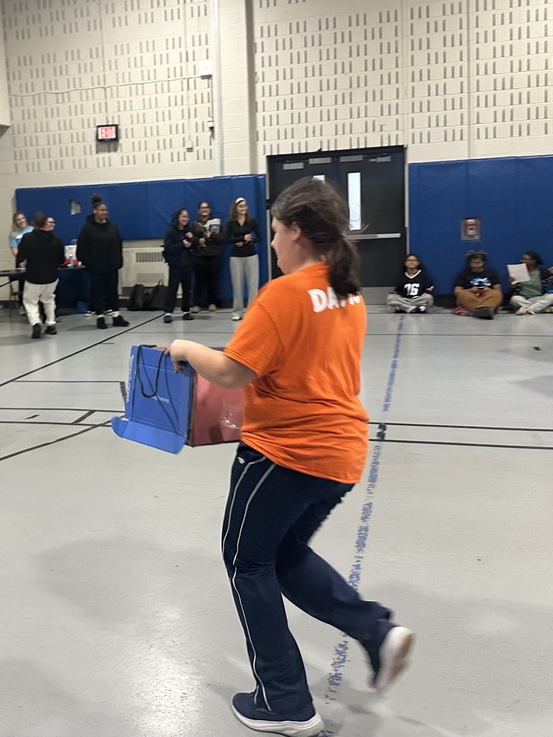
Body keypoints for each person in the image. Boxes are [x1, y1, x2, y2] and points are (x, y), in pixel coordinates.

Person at [167, 178, 413, 737]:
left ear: (297, 231)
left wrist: (182, 347)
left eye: (276, 233)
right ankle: (376, 631)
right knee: (281, 554)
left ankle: (284, 701)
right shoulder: (346, 288)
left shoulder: (283, 293)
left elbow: (232, 371)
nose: (272, 245)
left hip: (286, 453)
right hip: (341, 453)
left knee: (246, 561)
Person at [76, 193, 129, 330]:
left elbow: (118, 244)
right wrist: (89, 263)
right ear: (95, 211)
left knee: (112, 291)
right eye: (101, 210)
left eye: (106, 210)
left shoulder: (112, 227)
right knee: (98, 292)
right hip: (96, 268)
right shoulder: (87, 229)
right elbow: (81, 249)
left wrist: (118, 261)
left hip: (112, 266)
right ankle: (100, 317)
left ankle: (116, 316)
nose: (104, 212)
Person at [17, 213, 64, 338]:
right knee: (49, 300)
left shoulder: (27, 238)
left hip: (34, 277)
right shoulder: (56, 239)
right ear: (45, 223)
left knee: (30, 302)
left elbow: (20, 257)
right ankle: (51, 324)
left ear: (33, 223)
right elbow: (61, 260)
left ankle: (36, 323)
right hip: (51, 277)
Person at [224, 197, 262, 321]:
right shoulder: (230, 224)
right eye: (240, 206)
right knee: (237, 285)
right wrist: (240, 239)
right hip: (236, 257)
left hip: (251, 255)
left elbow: (260, 238)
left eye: (245, 206)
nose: (243, 208)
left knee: (252, 285)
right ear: (235, 208)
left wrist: (249, 241)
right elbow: (227, 240)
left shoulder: (251, 222)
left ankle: (251, 311)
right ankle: (237, 311)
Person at [162, 207, 196, 323]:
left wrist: (192, 241)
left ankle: (186, 310)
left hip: (187, 263)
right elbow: (168, 248)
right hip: (175, 264)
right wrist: (182, 244)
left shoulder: (189, 231)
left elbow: (194, 246)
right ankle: (168, 312)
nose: (185, 219)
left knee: (187, 288)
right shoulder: (171, 232)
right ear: (178, 217)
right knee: (173, 288)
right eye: (183, 216)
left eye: (187, 216)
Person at [191, 200, 223, 312]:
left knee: (212, 280)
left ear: (209, 210)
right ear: (198, 210)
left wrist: (212, 236)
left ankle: (212, 302)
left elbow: (222, 238)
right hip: (199, 255)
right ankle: (196, 304)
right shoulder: (194, 224)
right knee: (199, 280)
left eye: (206, 207)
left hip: (214, 255)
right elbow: (190, 240)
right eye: (202, 208)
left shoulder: (216, 222)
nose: (204, 209)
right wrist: (198, 241)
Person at [453, 250, 502, 319]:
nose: (476, 265)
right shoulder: (463, 273)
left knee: (497, 295)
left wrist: (487, 290)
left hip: (486, 296)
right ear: (469, 263)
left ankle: (482, 310)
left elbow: (498, 290)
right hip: (471, 295)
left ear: (483, 262)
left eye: (479, 262)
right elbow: (457, 291)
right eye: (473, 263)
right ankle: (482, 310)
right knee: (463, 295)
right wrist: (470, 290)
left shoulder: (491, 273)